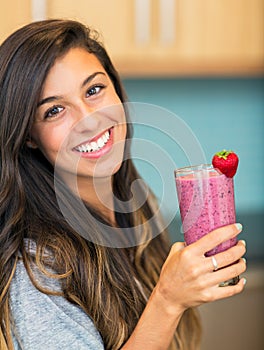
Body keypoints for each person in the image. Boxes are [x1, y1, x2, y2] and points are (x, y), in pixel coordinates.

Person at [0, 19, 246, 350]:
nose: (88, 119)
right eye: (55, 110)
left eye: (94, 90)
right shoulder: (36, 269)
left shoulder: (134, 208)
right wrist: (168, 300)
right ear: (29, 136)